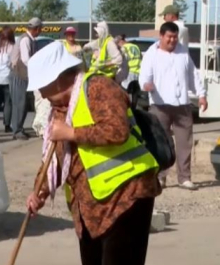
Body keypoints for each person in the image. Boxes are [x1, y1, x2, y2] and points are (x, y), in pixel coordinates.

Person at [26, 42, 160, 265]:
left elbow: (117, 131)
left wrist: (71, 132)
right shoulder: (61, 108)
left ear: (61, 77)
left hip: (126, 192)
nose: (42, 94)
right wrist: (39, 191)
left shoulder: (98, 87)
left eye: (44, 87)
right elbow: (55, 157)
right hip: (90, 203)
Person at [140, 22, 208, 191]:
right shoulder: (151, 54)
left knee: (185, 143)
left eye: (175, 37)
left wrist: (201, 95)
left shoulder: (183, 52)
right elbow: (144, 77)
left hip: (182, 105)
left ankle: (184, 178)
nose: (172, 40)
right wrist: (147, 85)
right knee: (161, 143)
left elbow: (193, 75)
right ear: (161, 36)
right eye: (169, 37)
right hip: (160, 105)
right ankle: (161, 176)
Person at [16, 17, 42, 140]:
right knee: (21, 103)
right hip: (20, 74)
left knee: (24, 103)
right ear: (36, 29)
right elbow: (26, 60)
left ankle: (19, 128)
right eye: (40, 29)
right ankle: (17, 130)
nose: (40, 31)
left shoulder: (30, 39)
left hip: (25, 74)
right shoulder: (25, 40)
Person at [83, 22, 127, 86]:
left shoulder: (109, 43)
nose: (96, 35)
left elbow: (119, 59)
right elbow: (88, 46)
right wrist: (86, 49)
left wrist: (105, 64)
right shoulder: (100, 41)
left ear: (102, 32)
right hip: (99, 73)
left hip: (108, 76)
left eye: (97, 33)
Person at [116, 34, 143, 107]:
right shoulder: (135, 46)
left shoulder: (124, 48)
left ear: (121, 41)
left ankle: (128, 108)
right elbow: (140, 57)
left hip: (129, 72)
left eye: (118, 43)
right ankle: (134, 108)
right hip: (138, 71)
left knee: (126, 91)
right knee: (135, 92)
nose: (118, 45)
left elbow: (122, 61)